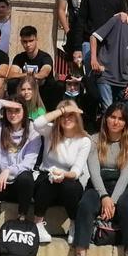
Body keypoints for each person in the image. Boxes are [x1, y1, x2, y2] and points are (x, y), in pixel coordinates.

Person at [72, 103, 128, 256]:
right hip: (99, 185)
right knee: (86, 204)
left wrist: (112, 200)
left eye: (120, 119)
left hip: (125, 187)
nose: (116, 122)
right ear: (106, 119)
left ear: (126, 123)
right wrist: (104, 196)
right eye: (113, 117)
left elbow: (126, 175)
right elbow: (94, 171)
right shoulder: (94, 139)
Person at [0, 100, 41, 240]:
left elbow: (28, 163)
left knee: (26, 177)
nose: (13, 114)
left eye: (17, 110)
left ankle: (21, 220)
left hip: (18, 185)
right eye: (9, 111)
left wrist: (8, 171)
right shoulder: (0, 127)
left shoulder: (33, 131)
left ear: (24, 112)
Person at [32, 100, 92, 243]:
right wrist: (62, 110)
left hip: (68, 179)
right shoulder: (50, 131)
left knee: (70, 185)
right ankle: (38, 223)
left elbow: (77, 170)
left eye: (71, 115)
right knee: (47, 181)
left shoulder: (84, 140)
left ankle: (74, 223)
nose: (67, 119)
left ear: (77, 118)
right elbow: (37, 123)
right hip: (47, 178)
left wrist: (64, 174)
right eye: (64, 115)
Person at [9, 25, 56, 105]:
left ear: (36, 40)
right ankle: (15, 106)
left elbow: (44, 73)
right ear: (21, 41)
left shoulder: (45, 57)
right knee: (12, 82)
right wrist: (26, 75)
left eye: (31, 41)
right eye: (25, 41)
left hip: (43, 90)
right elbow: (11, 74)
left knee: (55, 85)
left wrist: (31, 76)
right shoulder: (19, 57)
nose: (28, 45)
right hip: (25, 89)